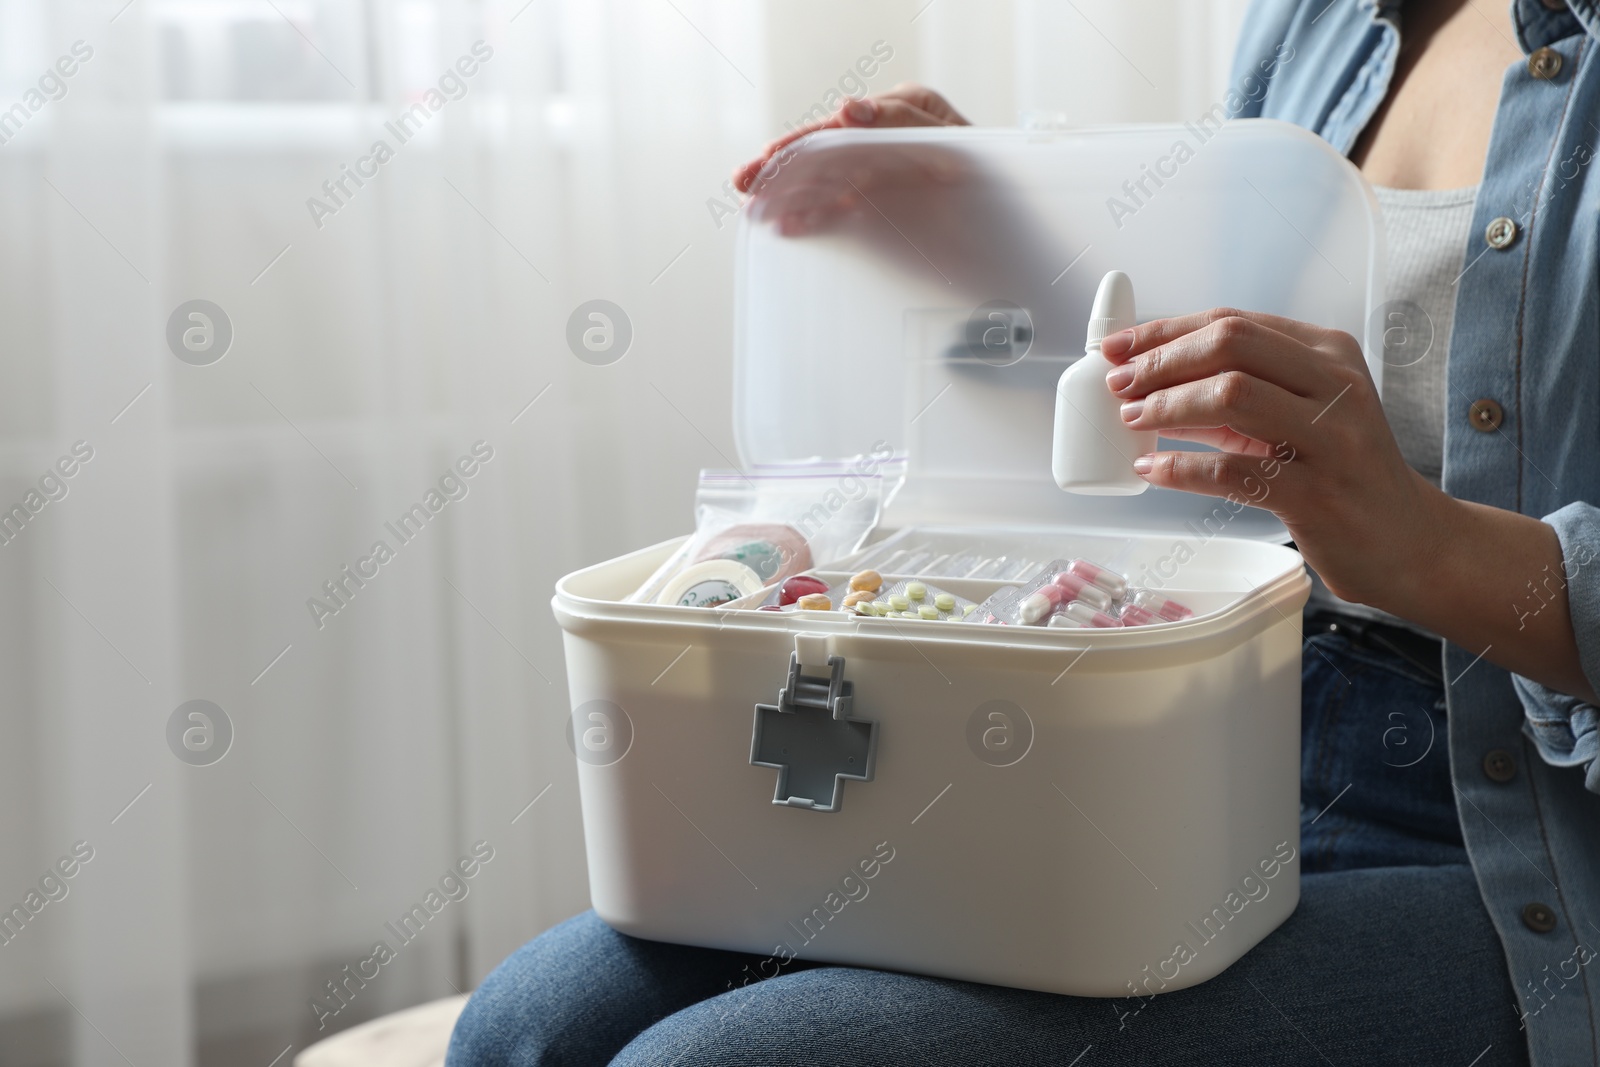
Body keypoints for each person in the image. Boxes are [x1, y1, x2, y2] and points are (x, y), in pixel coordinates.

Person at [449, 1, 1600, 1062]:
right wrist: (993, 244)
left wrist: (1434, 549)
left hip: (1518, 821)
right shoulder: (1325, 21)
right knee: (530, 1026)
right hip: (1202, 723)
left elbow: (1362, 499)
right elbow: (1191, 454)